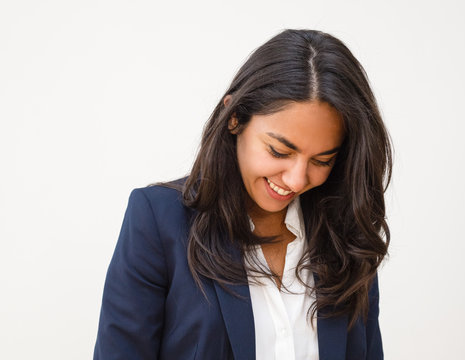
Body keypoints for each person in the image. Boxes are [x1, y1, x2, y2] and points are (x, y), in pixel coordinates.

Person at [94, 29, 392, 360]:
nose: (295, 180)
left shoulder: (345, 236)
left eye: (322, 160)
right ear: (234, 117)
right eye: (280, 151)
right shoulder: (157, 220)